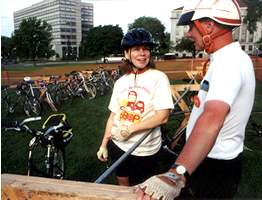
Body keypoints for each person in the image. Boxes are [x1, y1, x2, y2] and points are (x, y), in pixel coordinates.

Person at [136, 0, 256, 199]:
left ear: (209, 25)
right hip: (207, 158)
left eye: (191, 26)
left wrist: (175, 174)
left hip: (214, 166)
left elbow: (212, 119)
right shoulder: (229, 58)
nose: (188, 33)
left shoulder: (229, 63)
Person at [97, 28, 174, 186]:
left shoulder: (158, 78)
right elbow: (113, 116)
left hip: (145, 149)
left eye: (146, 49)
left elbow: (162, 116)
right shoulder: (121, 82)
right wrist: (104, 144)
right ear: (127, 53)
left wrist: (129, 130)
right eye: (137, 49)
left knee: (144, 189)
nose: (142, 53)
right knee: (123, 183)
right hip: (118, 145)